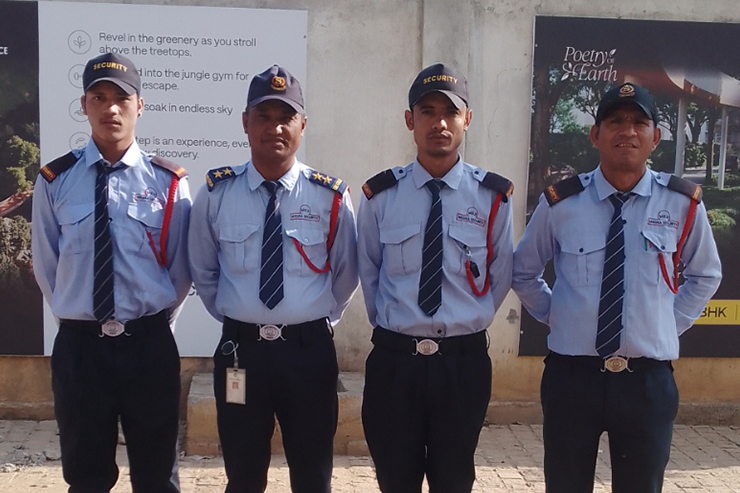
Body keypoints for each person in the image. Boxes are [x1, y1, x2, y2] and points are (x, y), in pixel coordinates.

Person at [512, 82, 722, 493]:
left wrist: (666, 323)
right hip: (573, 377)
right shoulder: (561, 203)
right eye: (615, 121)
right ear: (596, 134)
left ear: (655, 137)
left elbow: (705, 274)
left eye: (639, 122)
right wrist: (557, 315)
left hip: (646, 381)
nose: (627, 131)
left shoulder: (681, 203)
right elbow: (523, 271)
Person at [188, 64, 359, 493]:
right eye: (263, 117)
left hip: (308, 353)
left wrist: (315, 322)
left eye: (286, 117)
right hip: (241, 353)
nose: (275, 128)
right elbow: (204, 270)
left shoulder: (330, 196)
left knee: (313, 473)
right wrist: (238, 317)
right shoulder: (217, 193)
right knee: (243, 474)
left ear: (303, 125)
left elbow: (346, 273)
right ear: (245, 122)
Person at [32, 53, 191, 492]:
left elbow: (180, 270)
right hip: (81, 350)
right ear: (84, 105)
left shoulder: (168, 182)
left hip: (149, 347)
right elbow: (47, 267)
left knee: (157, 476)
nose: (111, 108)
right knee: (86, 476)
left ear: (140, 105)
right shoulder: (55, 180)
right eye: (99, 97)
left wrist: (151, 325)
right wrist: (79, 320)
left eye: (122, 98)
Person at [357, 62, 514, 492]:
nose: (439, 123)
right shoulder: (381, 196)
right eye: (427, 111)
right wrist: (397, 325)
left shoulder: (492, 197)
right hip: (395, 362)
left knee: (454, 479)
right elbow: (368, 271)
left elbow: (501, 275)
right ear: (410, 120)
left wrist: (470, 318)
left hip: (461, 364)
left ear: (467, 119)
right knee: (395, 479)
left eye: (450, 112)